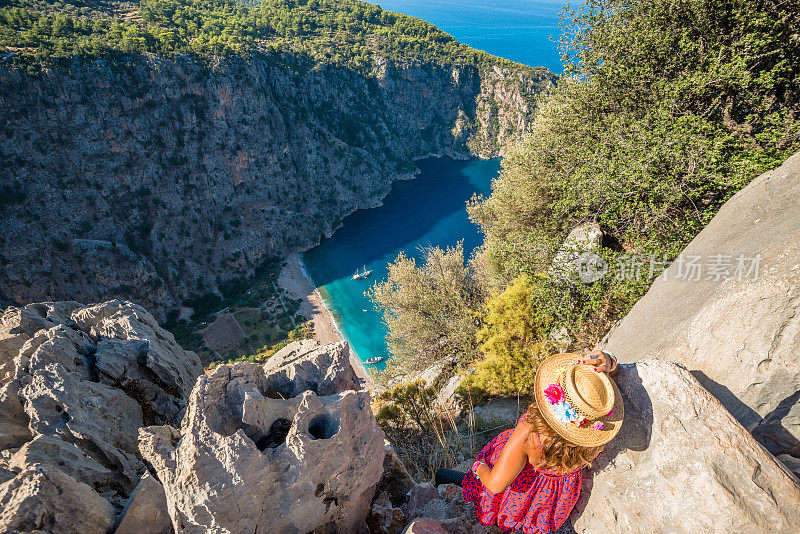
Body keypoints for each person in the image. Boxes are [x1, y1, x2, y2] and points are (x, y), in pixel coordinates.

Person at [436, 349, 623, 534]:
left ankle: (442, 479)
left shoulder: (530, 432)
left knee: (442, 475)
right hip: (545, 504)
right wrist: (609, 362)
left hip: (513, 497)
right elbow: (606, 392)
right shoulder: (593, 434)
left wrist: (479, 468)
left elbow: (495, 484)